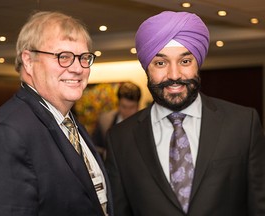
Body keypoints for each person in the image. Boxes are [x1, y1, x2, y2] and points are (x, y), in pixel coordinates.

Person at [105, 11, 265, 216]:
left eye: (185, 61)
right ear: (147, 68)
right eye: (160, 63)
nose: (174, 75)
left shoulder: (243, 124)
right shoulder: (120, 139)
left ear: (198, 63)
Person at [0, 11, 113, 216]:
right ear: (29, 61)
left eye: (84, 57)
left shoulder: (69, 123)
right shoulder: (6, 134)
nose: (78, 68)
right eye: (64, 57)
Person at [92, 82, 141, 159]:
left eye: (131, 107)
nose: (127, 112)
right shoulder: (104, 121)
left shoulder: (145, 124)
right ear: (118, 104)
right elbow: (94, 148)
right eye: (124, 107)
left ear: (138, 106)